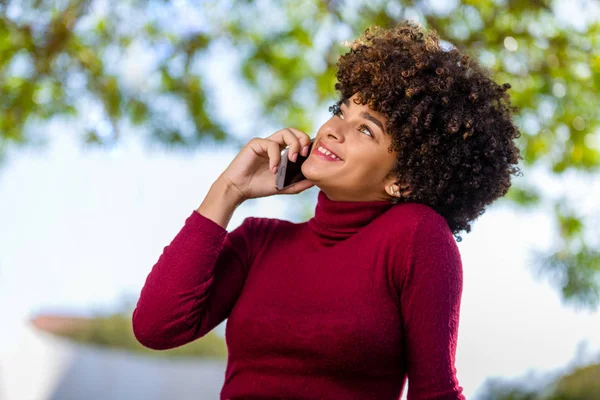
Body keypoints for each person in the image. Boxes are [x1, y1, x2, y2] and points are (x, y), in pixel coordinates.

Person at [132, 21, 522, 399]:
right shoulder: (258, 242)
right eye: (341, 110)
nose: (334, 130)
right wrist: (229, 190)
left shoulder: (415, 236)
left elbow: (434, 391)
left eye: (366, 129)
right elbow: (156, 328)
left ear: (403, 180)